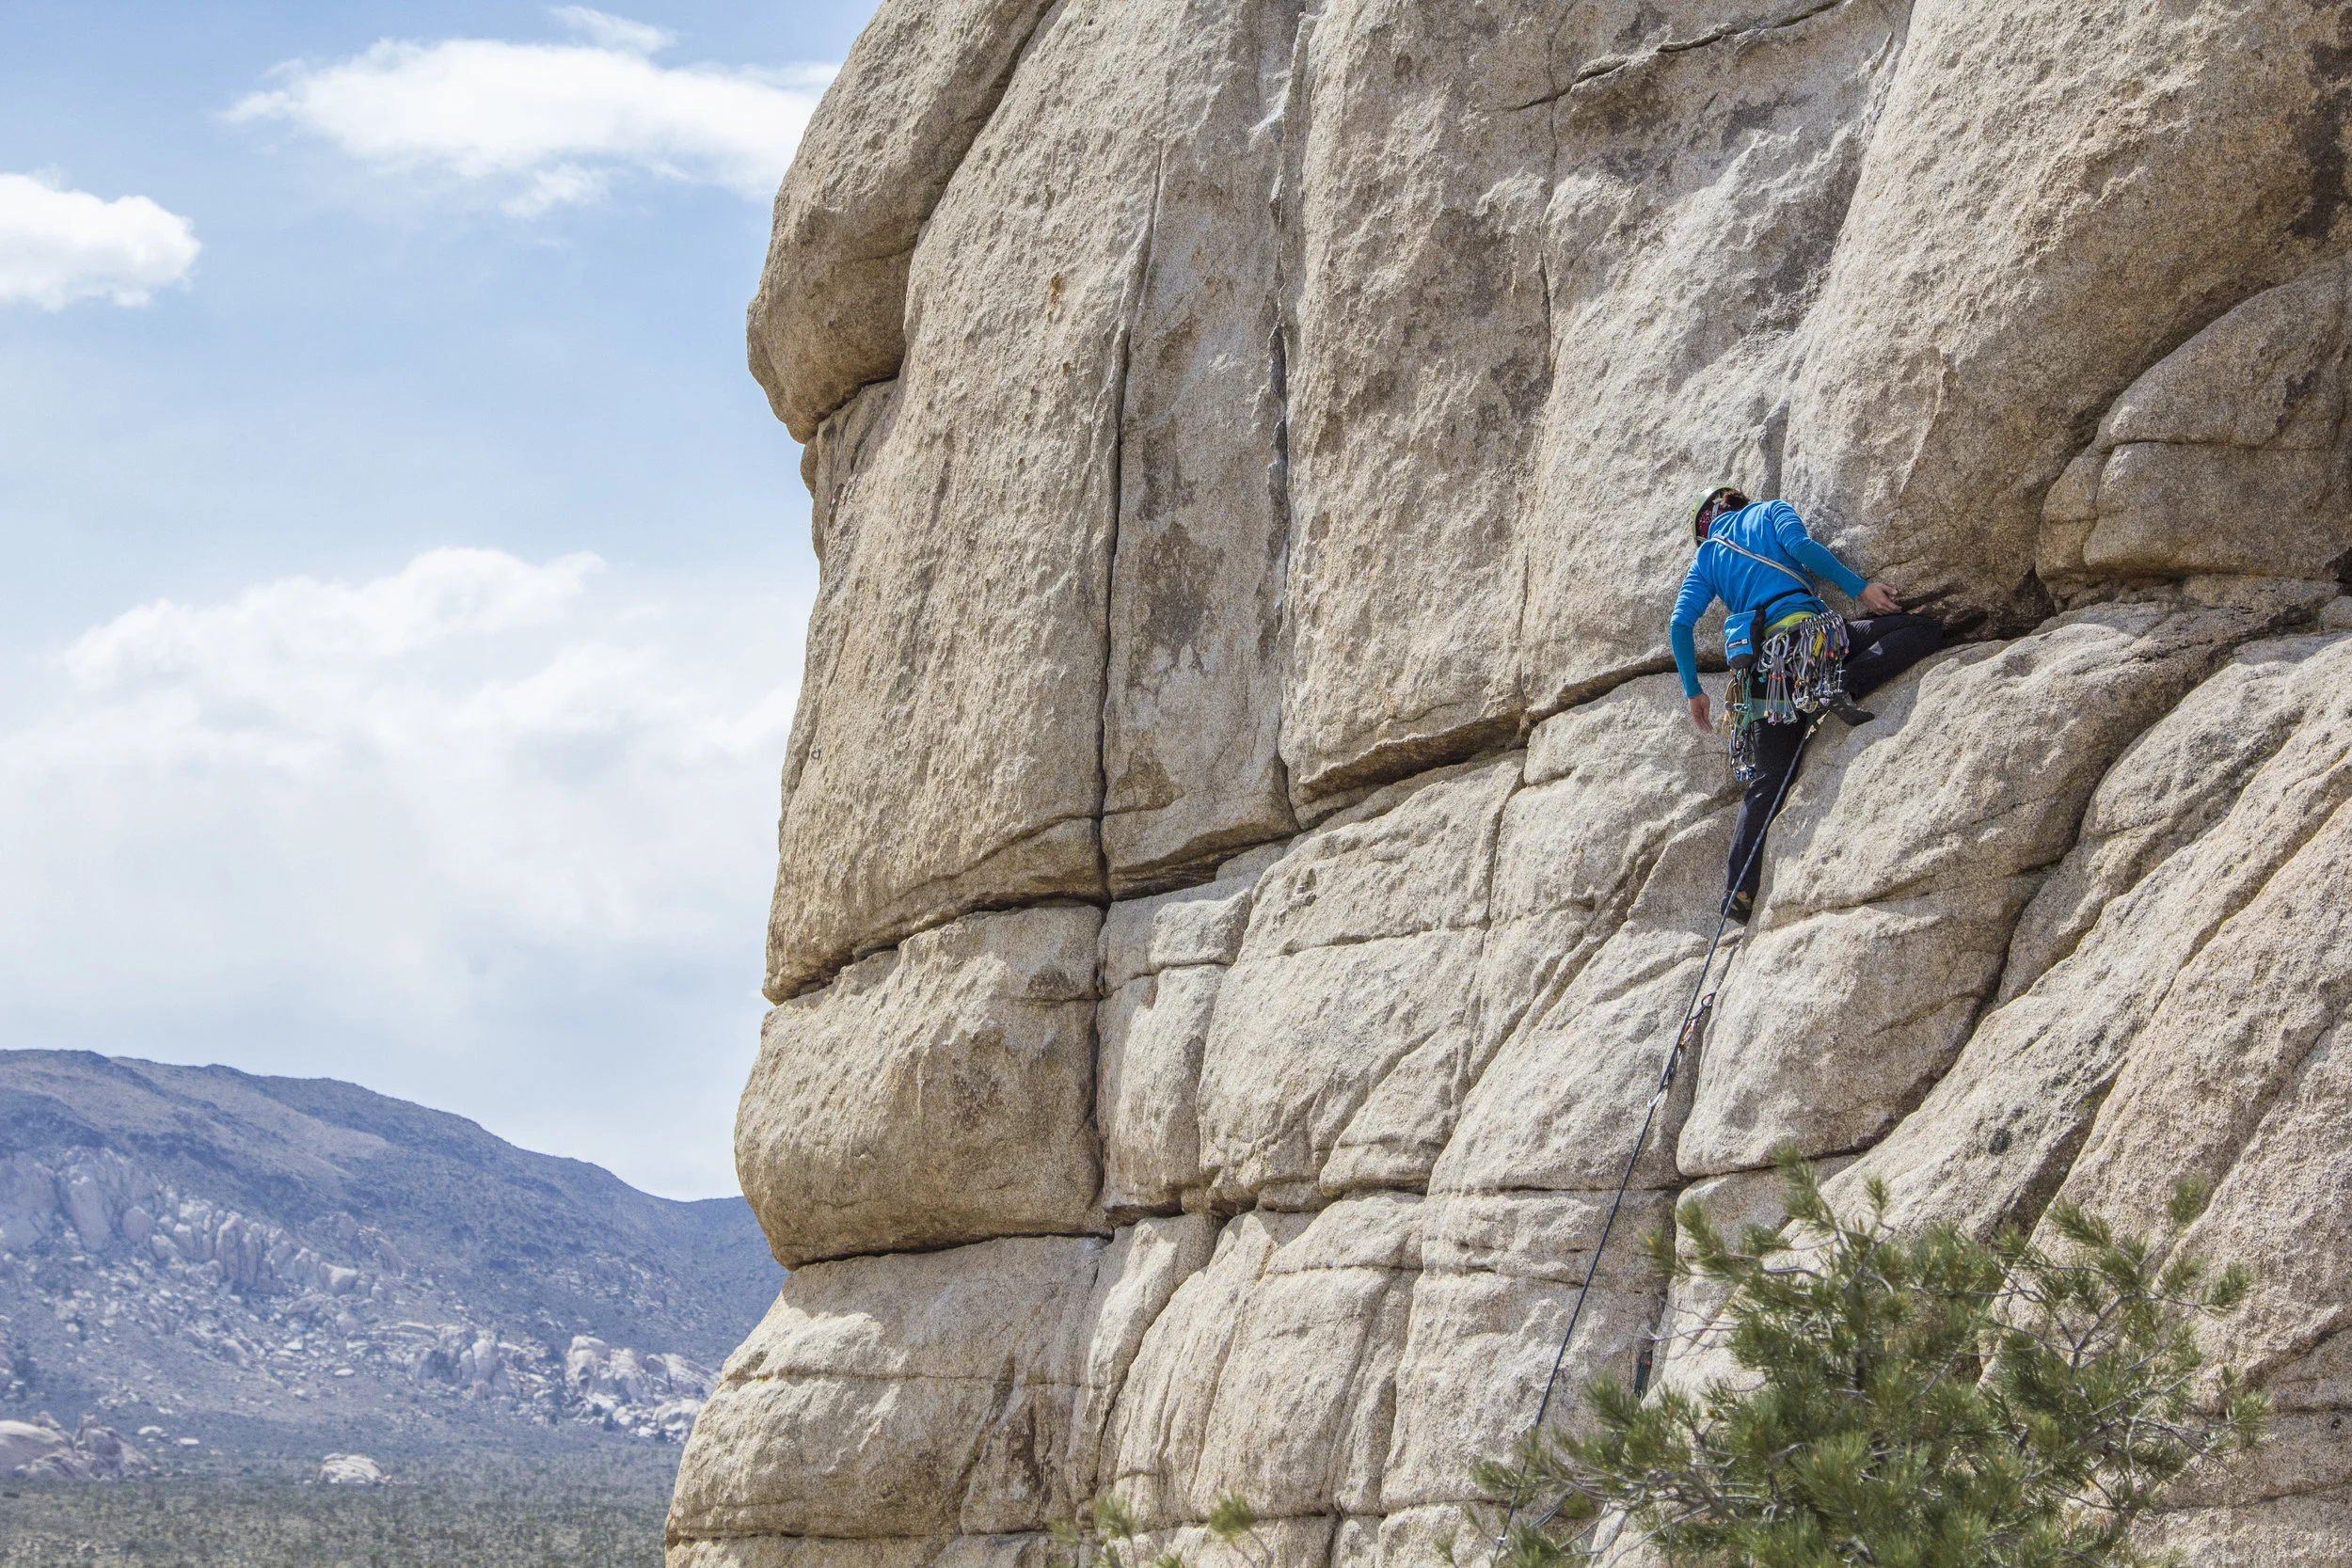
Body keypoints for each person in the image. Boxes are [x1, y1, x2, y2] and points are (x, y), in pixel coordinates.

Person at [1670, 486, 1942, 925]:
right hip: (1814, 642)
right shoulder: (1771, 511)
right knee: (1920, 630)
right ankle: (1842, 684)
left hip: (1765, 681)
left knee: (1768, 781)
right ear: (1735, 500)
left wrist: (1693, 691)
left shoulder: (1706, 560)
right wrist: (1860, 588)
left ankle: (1737, 892)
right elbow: (1800, 547)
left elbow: (1680, 624)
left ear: (1706, 527)